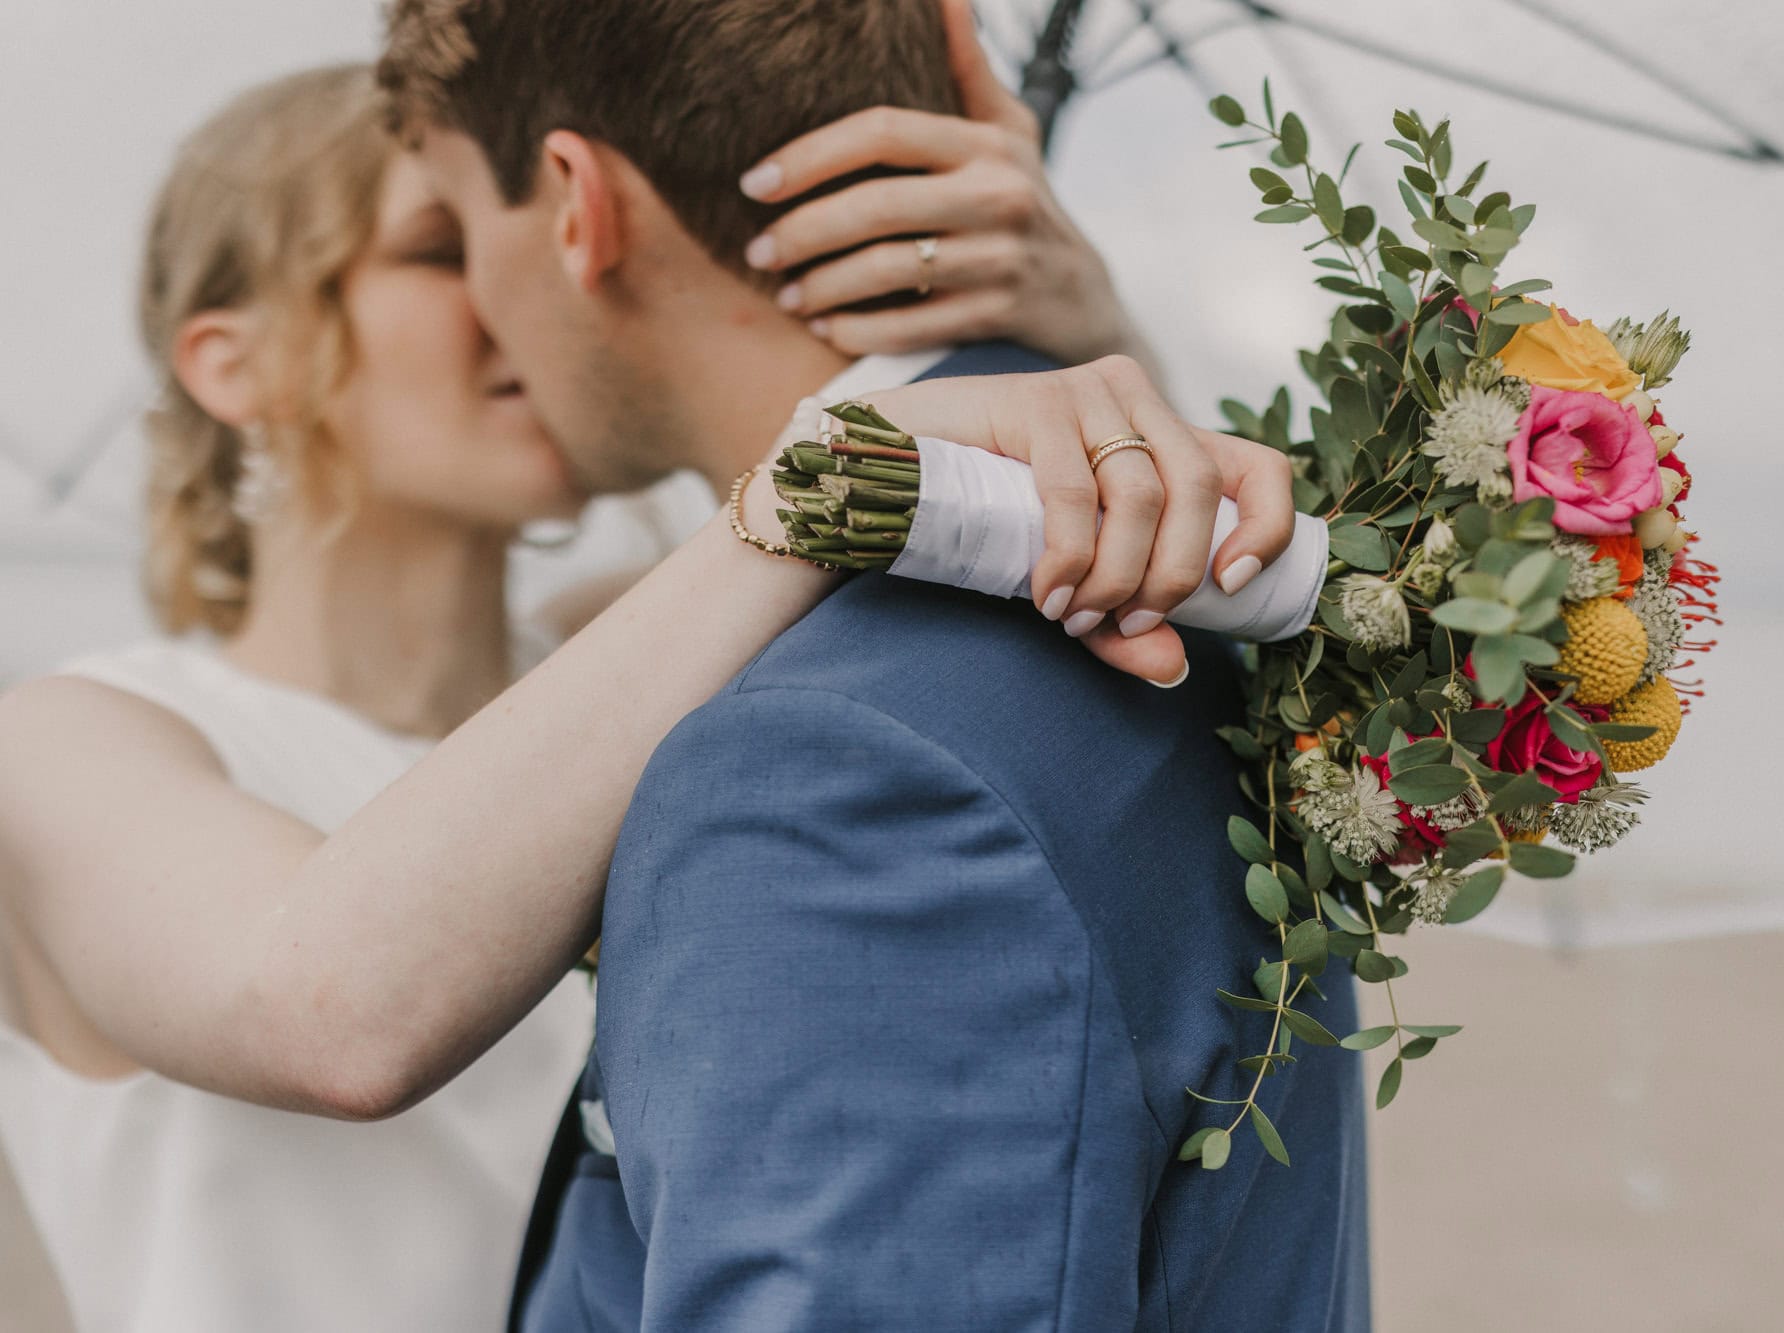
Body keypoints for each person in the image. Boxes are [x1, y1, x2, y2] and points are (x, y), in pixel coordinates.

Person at [0, 26, 1293, 1333]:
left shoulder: (640, 640)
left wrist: (1080, 330)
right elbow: (328, 1012)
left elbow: (1113, 675)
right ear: (239, 362)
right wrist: (812, 491)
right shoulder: (69, 744)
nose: (518, 286)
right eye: (441, 248)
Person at [382, 0, 1373, 1328]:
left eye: (458, 230)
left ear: (575, 204)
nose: (484, 321)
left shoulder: (832, 761)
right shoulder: (1171, 553)